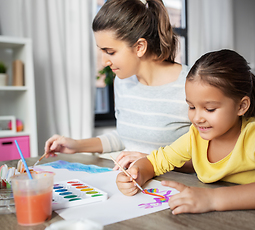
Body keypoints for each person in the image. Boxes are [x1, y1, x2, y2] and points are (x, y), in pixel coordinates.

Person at [116, 49, 255, 214]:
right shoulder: (195, 136)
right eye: (191, 107)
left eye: (210, 109)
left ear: (241, 106)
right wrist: (136, 174)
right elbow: (154, 162)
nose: (197, 118)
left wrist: (212, 199)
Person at [44, 0, 193, 172]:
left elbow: (211, 159)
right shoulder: (123, 82)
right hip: (131, 186)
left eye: (110, 52)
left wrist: (152, 162)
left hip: (174, 192)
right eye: (102, 51)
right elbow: (127, 137)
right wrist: (77, 145)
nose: (104, 61)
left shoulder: (190, 84)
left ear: (139, 47)